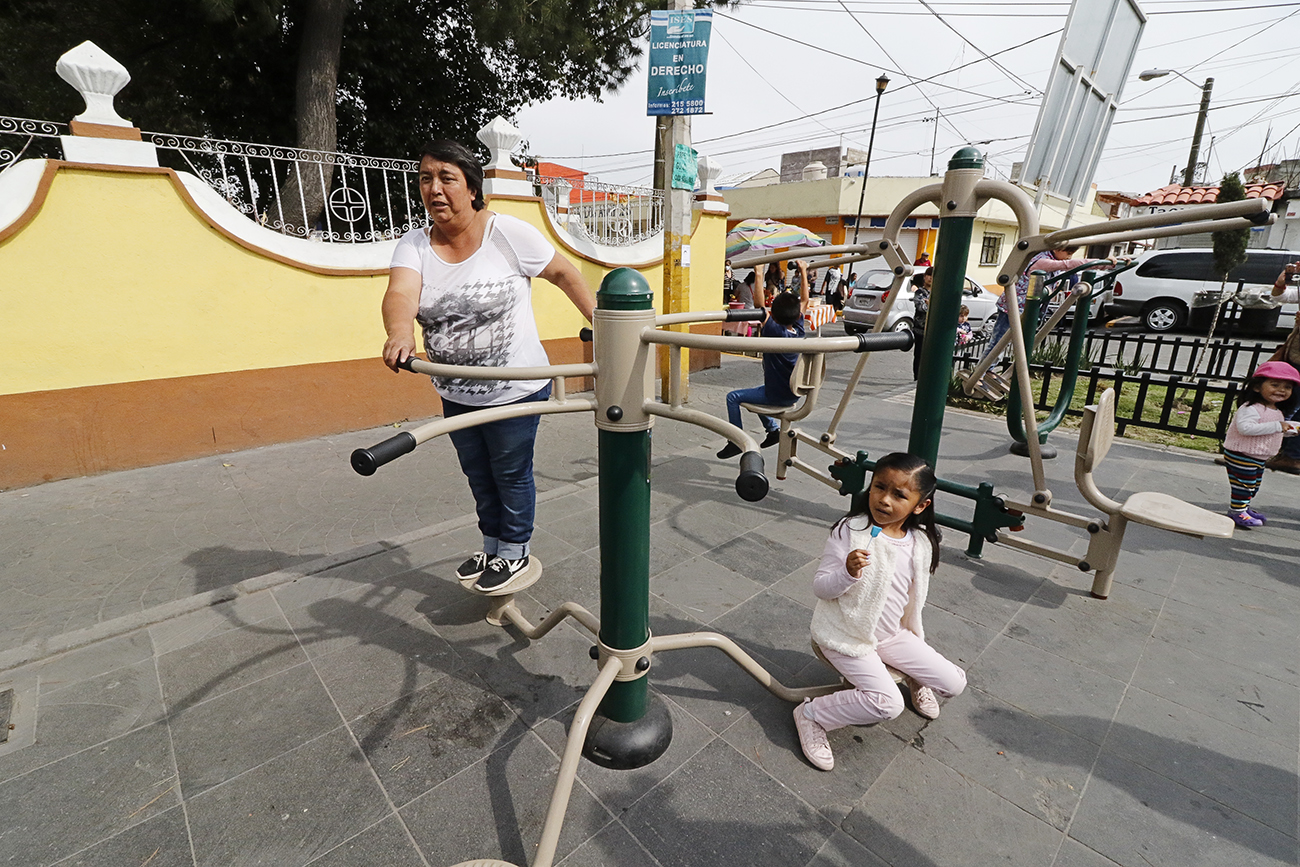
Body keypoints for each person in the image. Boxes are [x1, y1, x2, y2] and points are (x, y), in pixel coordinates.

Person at [381, 140, 595, 592]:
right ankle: (493, 544)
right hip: (455, 390)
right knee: (476, 471)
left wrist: (604, 324)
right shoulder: (415, 245)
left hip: (515, 389)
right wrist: (401, 332)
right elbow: (401, 294)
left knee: (510, 470)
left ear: (473, 189)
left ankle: (515, 550)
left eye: (446, 178)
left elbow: (564, 273)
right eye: (425, 178)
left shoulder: (508, 234)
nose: (433, 188)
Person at [792, 453, 967, 771]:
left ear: (920, 505)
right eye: (879, 487)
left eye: (899, 494)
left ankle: (915, 676)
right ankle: (812, 716)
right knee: (888, 704)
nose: (884, 500)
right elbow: (821, 588)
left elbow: (910, 598)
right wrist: (847, 572)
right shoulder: (851, 530)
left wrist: (911, 639)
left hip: (891, 635)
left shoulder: (920, 542)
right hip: (847, 633)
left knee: (954, 684)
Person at [717, 260, 811, 459]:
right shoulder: (799, 329)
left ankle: (735, 440)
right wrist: (803, 271)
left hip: (776, 395)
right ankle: (773, 430)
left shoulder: (774, 330)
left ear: (774, 316)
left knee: (733, 397)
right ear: (796, 316)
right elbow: (804, 300)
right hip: (794, 393)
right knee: (759, 390)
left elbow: (760, 304)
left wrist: (758, 272)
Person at [1221, 361, 1300, 528]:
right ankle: (1236, 512)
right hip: (1241, 453)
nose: (1281, 390)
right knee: (1244, 485)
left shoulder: (1277, 411)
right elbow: (1246, 428)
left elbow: (1270, 430)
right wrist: (1278, 426)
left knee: (1253, 486)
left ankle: (1243, 508)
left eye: (1287, 387)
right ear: (1257, 387)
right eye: (1275, 385)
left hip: (1258, 456)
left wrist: (1288, 431)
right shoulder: (1251, 408)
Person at [980, 246, 1086, 366]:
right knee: (999, 341)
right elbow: (1068, 264)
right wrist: (1102, 263)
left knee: (1009, 342)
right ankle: (982, 371)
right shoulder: (1042, 261)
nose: (1069, 256)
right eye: (1068, 252)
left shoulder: (1050, 259)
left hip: (1028, 308)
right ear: (1057, 249)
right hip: (1013, 307)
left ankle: (989, 369)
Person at [1265, 261, 1300, 474]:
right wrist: (1281, 283)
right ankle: (1266, 451)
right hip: (1294, 355)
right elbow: (1280, 298)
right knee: (1283, 402)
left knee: (1291, 406)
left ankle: (1291, 456)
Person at [910, 268, 933, 380]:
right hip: (920, 329)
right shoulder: (920, 292)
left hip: (933, 330)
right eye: (928, 275)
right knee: (919, 355)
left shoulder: (938, 292)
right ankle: (917, 377)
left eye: (933, 276)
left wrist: (930, 303)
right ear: (924, 277)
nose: (930, 278)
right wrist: (932, 305)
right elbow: (920, 307)